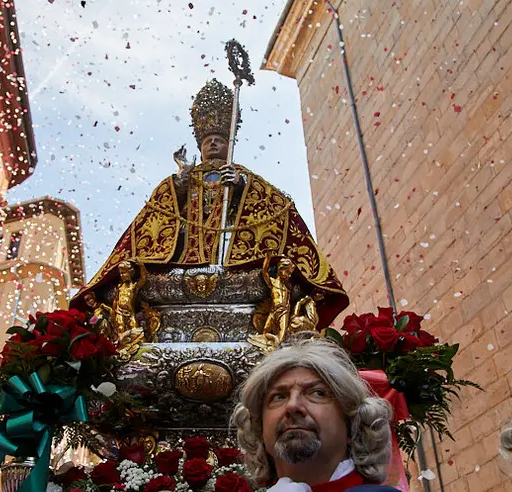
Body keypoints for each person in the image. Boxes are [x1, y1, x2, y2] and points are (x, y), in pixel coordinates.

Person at [128, 338, 463, 492]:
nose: (293, 406)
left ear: (353, 426)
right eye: (278, 397)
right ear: (260, 431)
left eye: (317, 393)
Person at [71, 79, 349, 330]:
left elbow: (275, 207)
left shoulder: (243, 177)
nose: (213, 145)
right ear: (200, 146)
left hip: (229, 256)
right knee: (139, 285)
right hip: (183, 257)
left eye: (218, 140)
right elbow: (159, 214)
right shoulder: (184, 179)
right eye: (208, 142)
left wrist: (242, 185)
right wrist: (180, 182)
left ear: (229, 144)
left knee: (270, 282)